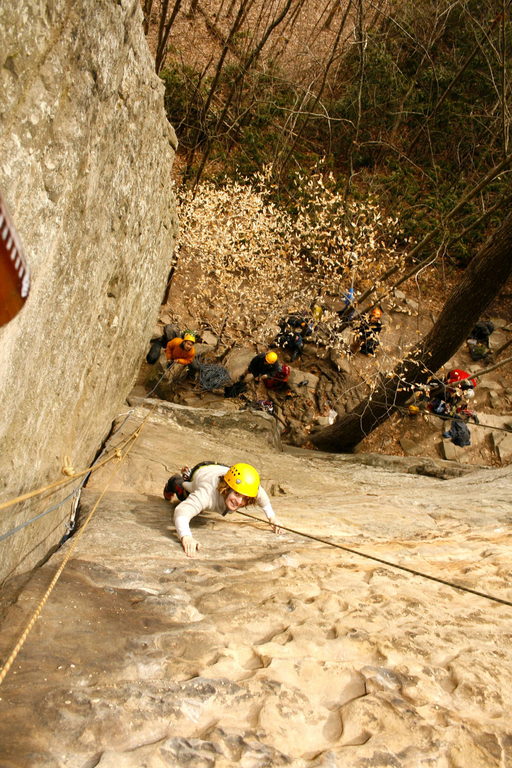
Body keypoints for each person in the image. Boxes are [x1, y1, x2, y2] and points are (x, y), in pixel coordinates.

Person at [163, 462, 280, 556]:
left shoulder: (246, 487)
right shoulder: (207, 493)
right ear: (226, 488)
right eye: (237, 494)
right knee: (184, 495)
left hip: (226, 470)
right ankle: (176, 481)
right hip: (202, 471)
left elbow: (261, 496)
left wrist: (272, 517)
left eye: (245, 498)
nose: (239, 502)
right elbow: (181, 511)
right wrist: (186, 536)